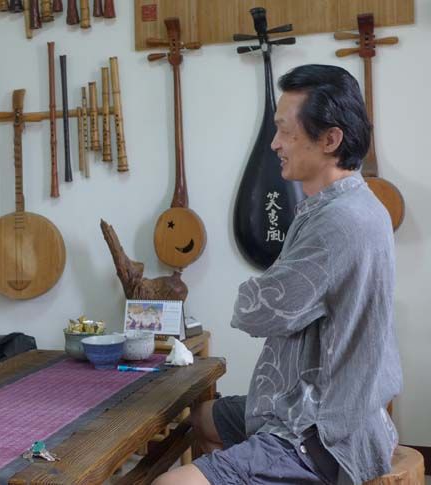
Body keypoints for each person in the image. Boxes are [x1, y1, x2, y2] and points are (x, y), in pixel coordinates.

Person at [154, 64, 402, 485]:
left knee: (168, 483)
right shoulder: (350, 202)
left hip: (322, 428)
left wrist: (257, 289)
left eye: (285, 130)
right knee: (202, 418)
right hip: (329, 400)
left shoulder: (339, 222)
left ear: (330, 139)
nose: (275, 143)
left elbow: (256, 311)